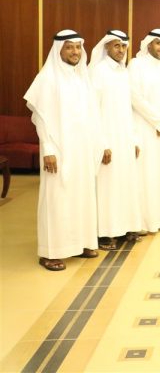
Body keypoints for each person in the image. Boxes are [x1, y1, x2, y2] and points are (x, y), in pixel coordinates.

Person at [25, 30, 102, 270]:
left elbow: (92, 116)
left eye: (78, 47)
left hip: (82, 150)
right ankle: (50, 252)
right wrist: (48, 149)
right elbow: (40, 118)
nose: (75, 52)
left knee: (82, 197)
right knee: (56, 199)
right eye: (69, 47)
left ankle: (80, 243)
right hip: (58, 150)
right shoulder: (48, 78)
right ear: (59, 50)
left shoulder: (82, 78)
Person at [89, 30, 142, 250]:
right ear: (106, 47)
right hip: (107, 140)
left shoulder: (123, 72)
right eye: (116, 46)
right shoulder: (98, 72)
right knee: (107, 187)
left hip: (125, 138)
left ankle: (123, 227)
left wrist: (134, 139)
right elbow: (93, 111)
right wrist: (102, 144)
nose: (121, 50)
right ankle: (104, 233)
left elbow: (129, 109)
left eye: (124, 46)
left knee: (124, 184)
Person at [129, 28, 160, 232]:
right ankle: (145, 222)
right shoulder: (136, 65)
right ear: (149, 44)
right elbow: (135, 97)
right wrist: (159, 121)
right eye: (159, 43)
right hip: (144, 127)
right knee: (146, 175)